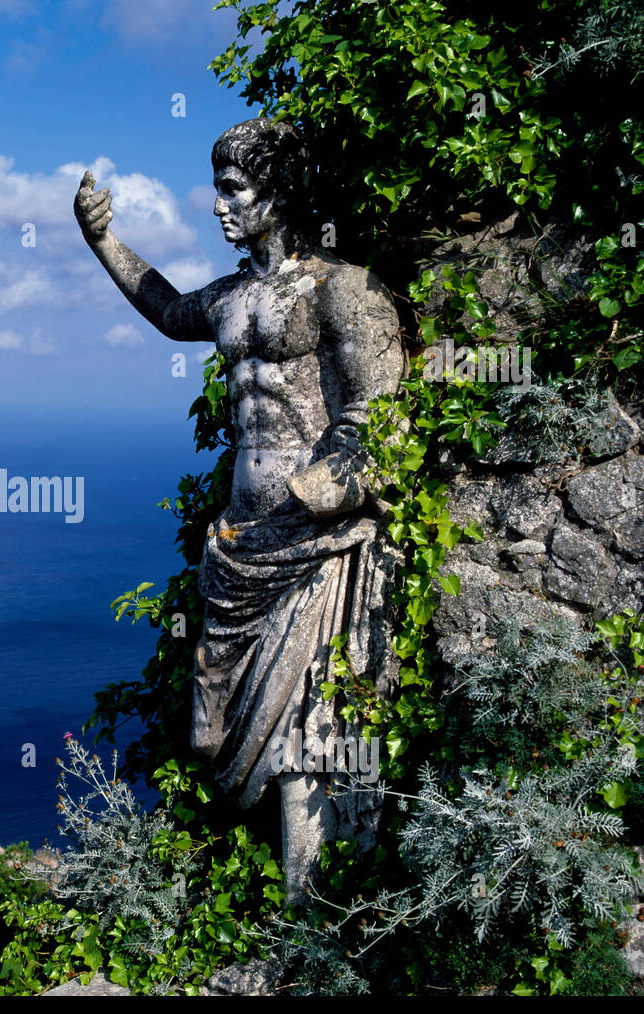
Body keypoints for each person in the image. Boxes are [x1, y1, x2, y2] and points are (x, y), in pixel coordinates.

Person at [74, 118, 403, 900]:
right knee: (219, 733)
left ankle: (317, 917)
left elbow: (377, 411)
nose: (218, 205)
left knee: (310, 729)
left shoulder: (342, 289)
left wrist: (322, 488)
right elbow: (165, 308)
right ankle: (286, 916)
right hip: (241, 546)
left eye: (233, 189)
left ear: (279, 192)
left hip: (318, 541)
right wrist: (102, 241)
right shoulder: (233, 297)